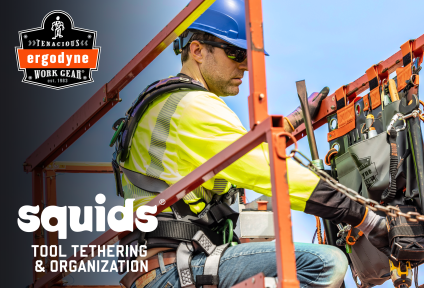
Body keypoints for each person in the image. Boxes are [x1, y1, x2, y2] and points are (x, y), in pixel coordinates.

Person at [115, 1, 390, 287]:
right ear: (197, 50)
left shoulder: (169, 102)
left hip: (165, 265)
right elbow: (267, 170)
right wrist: (365, 217)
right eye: (235, 53)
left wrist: (290, 123)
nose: (246, 65)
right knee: (325, 264)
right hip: (173, 270)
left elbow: (234, 151)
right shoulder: (193, 106)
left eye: (247, 55)